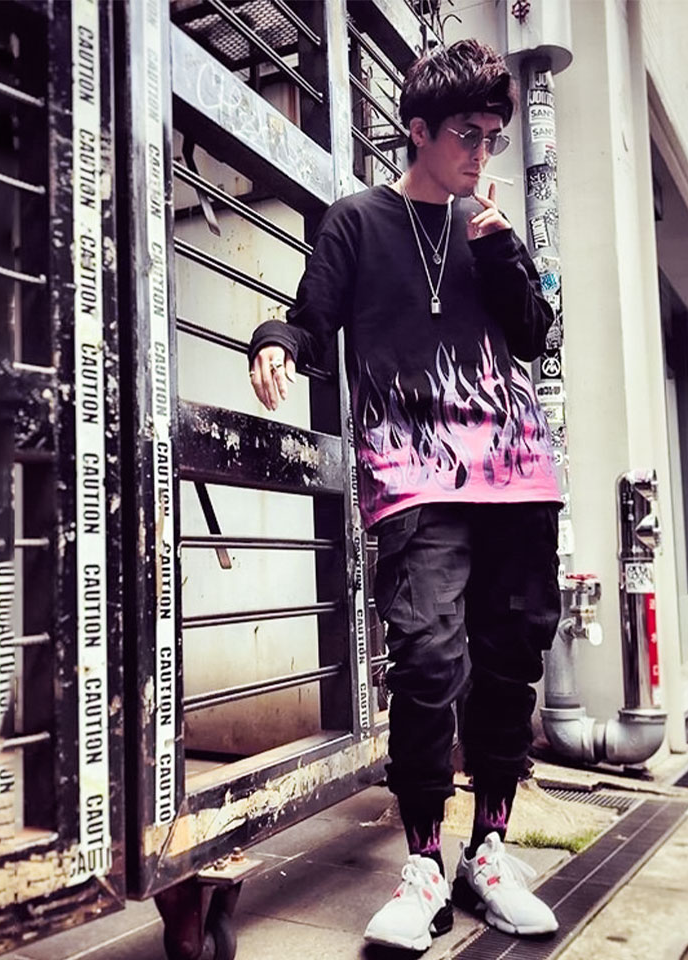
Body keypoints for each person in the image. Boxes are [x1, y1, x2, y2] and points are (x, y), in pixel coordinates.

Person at [248, 39, 562, 952]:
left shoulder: (490, 227)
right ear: (417, 130)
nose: (481, 152)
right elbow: (311, 319)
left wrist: (500, 250)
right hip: (414, 477)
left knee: (510, 663)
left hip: (516, 476)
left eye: (494, 137)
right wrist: (275, 341)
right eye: (467, 134)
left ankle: (488, 850)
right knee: (426, 660)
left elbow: (533, 337)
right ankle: (423, 862)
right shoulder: (357, 222)